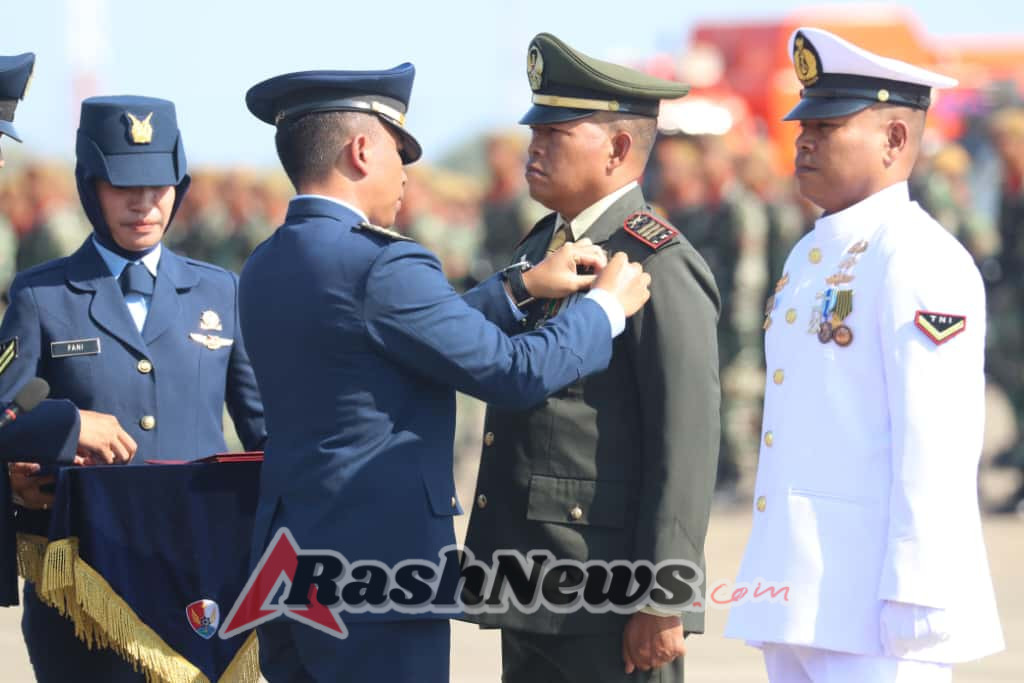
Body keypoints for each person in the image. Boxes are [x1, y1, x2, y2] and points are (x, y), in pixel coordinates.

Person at [239, 63, 651, 682]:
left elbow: (384, 342)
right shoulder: (384, 262)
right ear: (361, 150)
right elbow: (513, 372)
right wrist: (603, 311)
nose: (406, 174)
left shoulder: (267, 262)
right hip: (374, 572)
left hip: (289, 563)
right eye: (399, 152)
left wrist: (517, 288)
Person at [724, 27, 1005, 682]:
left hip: (876, 604)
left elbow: (934, 437)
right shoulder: (809, 254)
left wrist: (919, 586)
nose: (805, 140)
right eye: (804, 126)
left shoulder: (919, 256)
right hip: (798, 593)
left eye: (829, 125)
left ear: (895, 140)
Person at [462, 33, 721, 682]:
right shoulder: (539, 248)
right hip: (532, 583)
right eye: (534, 132)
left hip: (607, 592)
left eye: (557, 132)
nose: (535, 147)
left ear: (618, 147)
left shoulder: (657, 259)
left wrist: (665, 594)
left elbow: (685, 437)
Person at [0, 94, 267, 682]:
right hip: (86, 589)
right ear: (89, 186)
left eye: (159, 187)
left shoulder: (219, 291)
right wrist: (68, 426)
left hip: (203, 582)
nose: (145, 205)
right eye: (124, 187)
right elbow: (3, 417)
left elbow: (267, 432)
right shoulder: (41, 295)